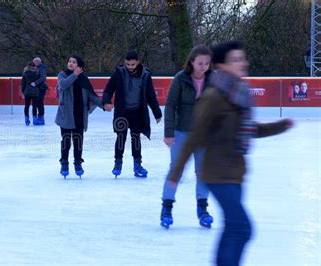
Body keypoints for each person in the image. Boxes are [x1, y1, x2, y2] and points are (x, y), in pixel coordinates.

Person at [167, 41, 293, 266]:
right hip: (217, 173)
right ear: (222, 66)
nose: (243, 63)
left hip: (235, 173)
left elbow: (249, 129)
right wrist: (175, 174)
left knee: (232, 228)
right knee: (242, 228)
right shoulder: (214, 96)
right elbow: (195, 137)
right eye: (236, 59)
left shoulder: (238, 93)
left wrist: (280, 126)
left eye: (243, 58)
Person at [160, 45, 214, 229]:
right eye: (200, 63)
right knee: (176, 170)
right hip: (181, 132)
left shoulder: (212, 80)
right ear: (192, 61)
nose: (203, 66)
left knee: (203, 172)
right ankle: (166, 208)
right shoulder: (181, 79)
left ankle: (203, 209)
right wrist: (169, 132)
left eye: (207, 63)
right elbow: (170, 106)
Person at [103, 51, 162, 178]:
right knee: (120, 138)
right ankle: (118, 163)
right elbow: (108, 90)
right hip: (122, 113)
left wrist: (157, 113)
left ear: (138, 62)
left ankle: (137, 165)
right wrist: (106, 102)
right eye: (128, 64)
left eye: (133, 64)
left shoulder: (145, 75)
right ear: (125, 62)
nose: (130, 67)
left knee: (136, 138)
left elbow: (151, 95)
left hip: (137, 112)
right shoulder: (119, 73)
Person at [55, 55, 104, 178]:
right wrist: (74, 75)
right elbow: (63, 85)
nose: (70, 63)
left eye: (74, 62)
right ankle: (64, 163)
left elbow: (92, 96)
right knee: (66, 141)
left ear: (79, 66)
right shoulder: (62, 75)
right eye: (69, 61)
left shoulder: (84, 80)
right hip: (66, 115)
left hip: (79, 116)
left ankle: (78, 163)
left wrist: (104, 106)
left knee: (78, 141)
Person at [21, 61, 41, 125]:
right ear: (34, 66)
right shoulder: (37, 73)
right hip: (35, 92)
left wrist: (22, 91)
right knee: (34, 106)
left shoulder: (25, 73)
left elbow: (23, 84)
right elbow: (39, 82)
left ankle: (26, 119)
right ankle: (35, 120)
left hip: (27, 91)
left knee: (27, 105)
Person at [31, 57, 48, 125]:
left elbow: (43, 77)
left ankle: (41, 117)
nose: (32, 64)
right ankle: (40, 117)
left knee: (39, 103)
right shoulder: (37, 68)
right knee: (38, 103)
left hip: (41, 88)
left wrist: (35, 83)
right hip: (38, 88)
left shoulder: (41, 68)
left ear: (37, 62)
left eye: (33, 62)